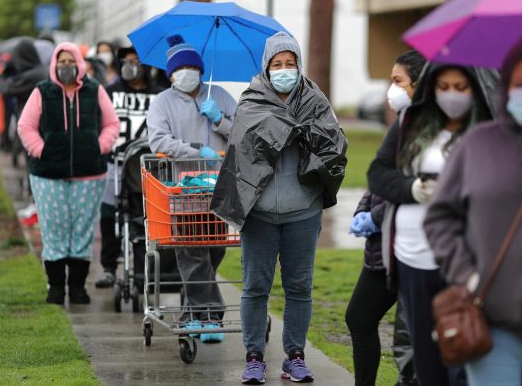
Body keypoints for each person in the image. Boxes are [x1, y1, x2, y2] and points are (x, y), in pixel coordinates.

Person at [424, 36, 522, 386]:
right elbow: (440, 218)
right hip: (489, 316)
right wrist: (465, 273)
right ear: (506, 88)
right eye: (521, 84)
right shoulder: (478, 144)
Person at [210, 32, 348, 384]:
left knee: (299, 287)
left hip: (303, 211)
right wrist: (279, 130)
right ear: (267, 67)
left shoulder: (316, 102)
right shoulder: (251, 102)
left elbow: (335, 146)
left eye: (290, 64)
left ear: (299, 66)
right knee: (255, 287)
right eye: (278, 64)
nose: (284, 70)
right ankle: (254, 356)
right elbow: (240, 151)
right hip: (259, 214)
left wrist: (305, 133)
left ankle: (295, 356)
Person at [367, 61, 496, 386]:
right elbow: (378, 173)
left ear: (474, 90)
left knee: (464, 357)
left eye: (460, 87)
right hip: (413, 259)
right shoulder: (410, 122)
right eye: (444, 87)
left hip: (464, 261)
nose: (451, 95)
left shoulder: (487, 130)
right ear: (431, 87)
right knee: (426, 364)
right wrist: (413, 189)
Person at [146, 34, 237, 342]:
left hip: (221, 190)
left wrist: (220, 120)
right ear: (170, 74)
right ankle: (210, 316)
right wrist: (198, 152)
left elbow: (246, 134)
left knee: (214, 250)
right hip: (182, 191)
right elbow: (158, 140)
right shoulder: (162, 102)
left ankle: (192, 312)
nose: (184, 73)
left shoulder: (221, 96)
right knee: (192, 251)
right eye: (177, 68)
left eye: (189, 66)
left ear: (200, 68)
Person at [17, 42, 119, 305]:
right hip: (48, 174)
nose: (66, 66)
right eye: (61, 61)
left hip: (90, 174)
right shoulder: (43, 91)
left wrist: (99, 146)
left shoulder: (95, 90)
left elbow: (111, 124)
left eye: (70, 61)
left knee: (83, 230)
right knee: (54, 228)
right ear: (54, 64)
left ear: (79, 63)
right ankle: (55, 287)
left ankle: (77, 288)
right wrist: (41, 149)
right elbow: (25, 126)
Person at [345, 50, 425, 386]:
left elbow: (416, 188)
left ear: (418, 86)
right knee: (360, 319)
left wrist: (377, 217)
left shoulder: (428, 132)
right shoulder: (402, 125)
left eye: (397, 81)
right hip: (384, 245)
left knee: (412, 343)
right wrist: (364, 209)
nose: (389, 91)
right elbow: (379, 176)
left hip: (409, 247)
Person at [95, 45, 169, 289]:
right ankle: (108, 266)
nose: (131, 65)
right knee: (110, 217)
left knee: (143, 220)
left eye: (136, 60)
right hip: (115, 164)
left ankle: (141, 272)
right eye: (126, 61)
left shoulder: (160, 95)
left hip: (150, 169)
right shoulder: (109, 92)